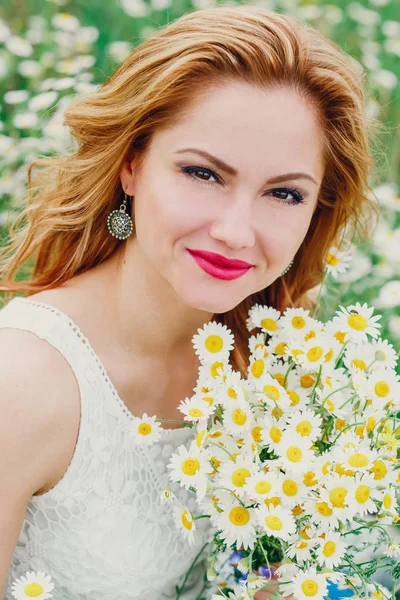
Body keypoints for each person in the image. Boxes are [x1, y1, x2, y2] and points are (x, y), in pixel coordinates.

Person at [0, 4, 380, 599]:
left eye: (283, 192)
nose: (236, 230)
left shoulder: (277, 355)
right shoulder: (21, 382)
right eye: (204, 174)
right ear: (132, 165)